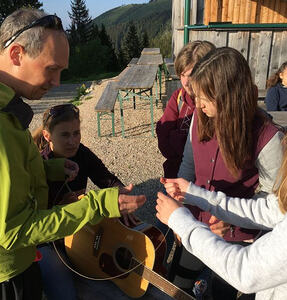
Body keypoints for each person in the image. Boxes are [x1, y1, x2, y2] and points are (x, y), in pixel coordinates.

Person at [0, 8, 145, 300]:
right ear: (16, 55)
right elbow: (14, 231)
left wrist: (48, 171)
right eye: (51, 69)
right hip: (9, 273)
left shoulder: (10, 111)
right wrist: (99, 204)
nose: (56, 82)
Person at [156, 56, 287, 300]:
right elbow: (276, 208)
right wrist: (186, 197)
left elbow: (246, 268)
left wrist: (226, 224)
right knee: (177, 285)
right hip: (198, 224)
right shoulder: (197, 121)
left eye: (205, 96)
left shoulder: (267, 137)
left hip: (238, 241)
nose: (198, 104)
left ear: (229, 96)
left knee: (221, 290)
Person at [32, 104, 138, 300]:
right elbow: (33, 217)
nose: (72, 141)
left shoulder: (82, 153)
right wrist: (58, 206)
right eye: (64, 135)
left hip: (80, 230)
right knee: (67, 295)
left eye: (76, 133)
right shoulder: (39, 164)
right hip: (48, 241)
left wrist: (122, 196)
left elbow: (106, 179)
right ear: (47, 136)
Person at [156, 40, 216, 178]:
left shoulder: (217, 105)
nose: (185, 82)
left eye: (191, 75)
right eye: (182, 75)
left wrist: (177, 137)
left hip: (206, 185)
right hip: (174, 177)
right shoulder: (178, 97)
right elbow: (163, 136)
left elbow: (210, 152)